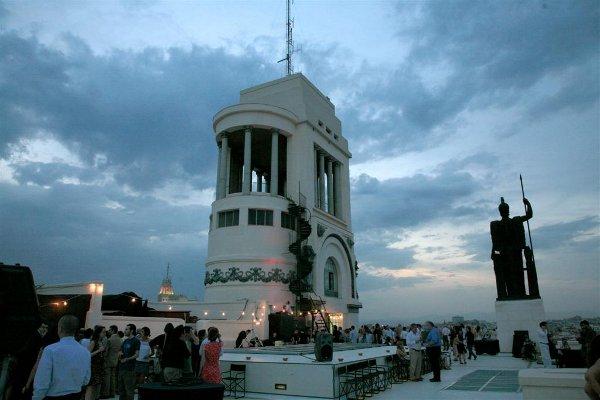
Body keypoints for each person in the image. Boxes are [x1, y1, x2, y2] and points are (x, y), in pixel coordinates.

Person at [32, 315, 90, 400]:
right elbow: (86, 380)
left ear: (60, 328)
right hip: (76, 394)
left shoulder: (50, 350)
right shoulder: (85, 352)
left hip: (53, 396)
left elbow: (42, 381)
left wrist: (36, 397)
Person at [6, 321, 47, 400]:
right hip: (26, 367)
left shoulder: (34, 337)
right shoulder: (36, 338)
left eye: (45, 328)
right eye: (43, 327)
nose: (44, 330)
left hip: (23, 366)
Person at [118, 324, 140, 400]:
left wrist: (127, 359)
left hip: (130, 369)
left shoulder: (136, 341)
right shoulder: (125, 341)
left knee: (129, 391)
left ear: (132, 331)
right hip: (122, 368)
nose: (125, 331)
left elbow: (137, 355)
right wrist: (119, 353)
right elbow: (120, 351)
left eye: (127, 329)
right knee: (121, 390)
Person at [85, 325, 106, 400]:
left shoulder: (101, 342)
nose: (105, 334)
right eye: (103, 332)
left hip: (99, 366)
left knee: (97, 385)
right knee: (91, 386)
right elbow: (87, 354)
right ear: (98, 333)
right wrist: (98, 351)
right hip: (93, 367)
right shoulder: (93, 342)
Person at [100, 325, 121, 399]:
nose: (108, 331)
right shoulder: (119, 339)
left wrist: (104, 357)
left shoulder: (109, 340)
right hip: (115, 360)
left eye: (109, 330)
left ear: (112, 330)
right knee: (113, 377)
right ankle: (112, 393)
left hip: (108, 360)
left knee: (107, 377)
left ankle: (106, 393)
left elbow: (106, 351)